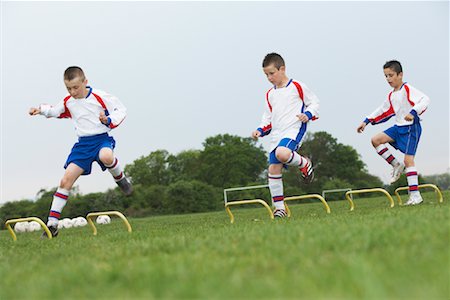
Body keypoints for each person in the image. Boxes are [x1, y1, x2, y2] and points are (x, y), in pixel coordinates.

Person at [29, 66, 133, 237]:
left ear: (85, 82)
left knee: (106, 156)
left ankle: (121, 179)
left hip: (101, 139)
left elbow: (121, 109)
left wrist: (108, 120)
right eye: (68, 88)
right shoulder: (68, 101)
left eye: (75, 87)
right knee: (65, 181)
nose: (72, 91)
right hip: (83, 145)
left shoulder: (100, 96)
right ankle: (52, 226)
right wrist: (40, 110)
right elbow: (55, 110)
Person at [252, 53, 320, 218]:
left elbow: (314, 102)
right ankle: (279, 208)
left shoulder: (297, 86)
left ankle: (304, 163)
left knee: (282, 153)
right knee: (273, 168)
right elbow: (268, 117)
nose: (269, 77)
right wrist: (260, 130)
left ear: (282, 69)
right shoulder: (270, 94)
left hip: (294, 129)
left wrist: (308, 114)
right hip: (277, 134)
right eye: (266, 75)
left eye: (272, 73)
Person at [357, 60, 430, 206]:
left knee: (408, 161)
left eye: (391, 75)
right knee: (376, 140)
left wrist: (413, 112)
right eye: (386, 76)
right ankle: (396, 165)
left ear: (400, 75)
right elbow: (382, 110)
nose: (388, 79)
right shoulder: (391, 94)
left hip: (411, 128)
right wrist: (366, 121)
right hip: (398, 127)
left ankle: (415, 196)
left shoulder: (408, 88)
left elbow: (425, 99)